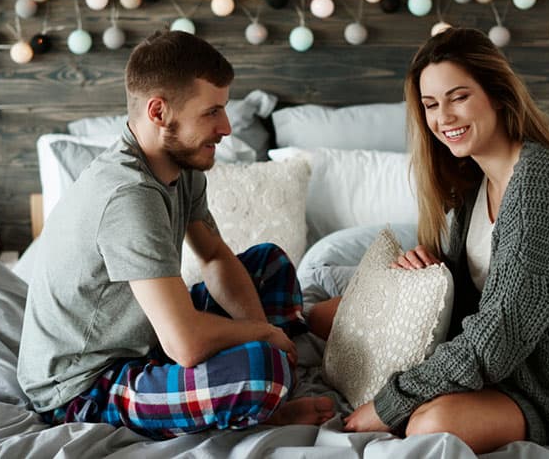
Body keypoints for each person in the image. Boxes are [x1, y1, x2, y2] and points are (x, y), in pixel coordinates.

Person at [308, 27, 549, 452]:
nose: (443, 118)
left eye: (458, 97)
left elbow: (501, 332)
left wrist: (388, 404)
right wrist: (430, 272)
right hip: (498, 365)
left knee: (429, 424)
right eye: (431, 105)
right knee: (324, 315)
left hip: (546, 385)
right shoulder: (475, 185)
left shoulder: (539, 184)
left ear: (496, 93)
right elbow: (475, 294)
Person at [17, 30, 334, 439]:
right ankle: (262, 403)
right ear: (158, 112)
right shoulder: (128, 196)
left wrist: (265, 337)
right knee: (263, 375)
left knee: (268, 264)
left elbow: (216, 257)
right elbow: (184, 343)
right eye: (212, 112)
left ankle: (253, 387)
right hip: (80, 387)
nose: (226, 128)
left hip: (144, 336)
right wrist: (262, 334)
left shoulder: (179, 168)